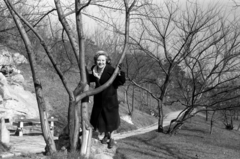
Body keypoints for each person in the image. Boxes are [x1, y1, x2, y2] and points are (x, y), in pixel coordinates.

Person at [89, 50, 125, 149]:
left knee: (111, 119)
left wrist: (119, 73)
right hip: (99, 99)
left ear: (106, 61)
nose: (100, 62)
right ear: (96, 61)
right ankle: (104, 135)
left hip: (110, 99)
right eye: (98, 60)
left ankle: (111, 138)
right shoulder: (94, 70)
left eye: (103, 60)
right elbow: (90, 78)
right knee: (100, 119)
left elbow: (121, 81)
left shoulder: (111, 70)